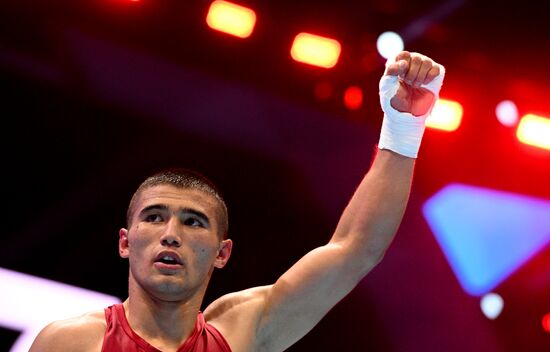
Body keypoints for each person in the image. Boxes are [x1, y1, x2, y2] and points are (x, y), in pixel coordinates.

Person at [29, 50, 445, 352]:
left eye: (193, 222)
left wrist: (403, 129)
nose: (171, 235)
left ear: (222, 252)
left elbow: (354, 249)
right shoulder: (71, 343)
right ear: (125, 242)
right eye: (155, 217)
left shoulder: (244, 331)